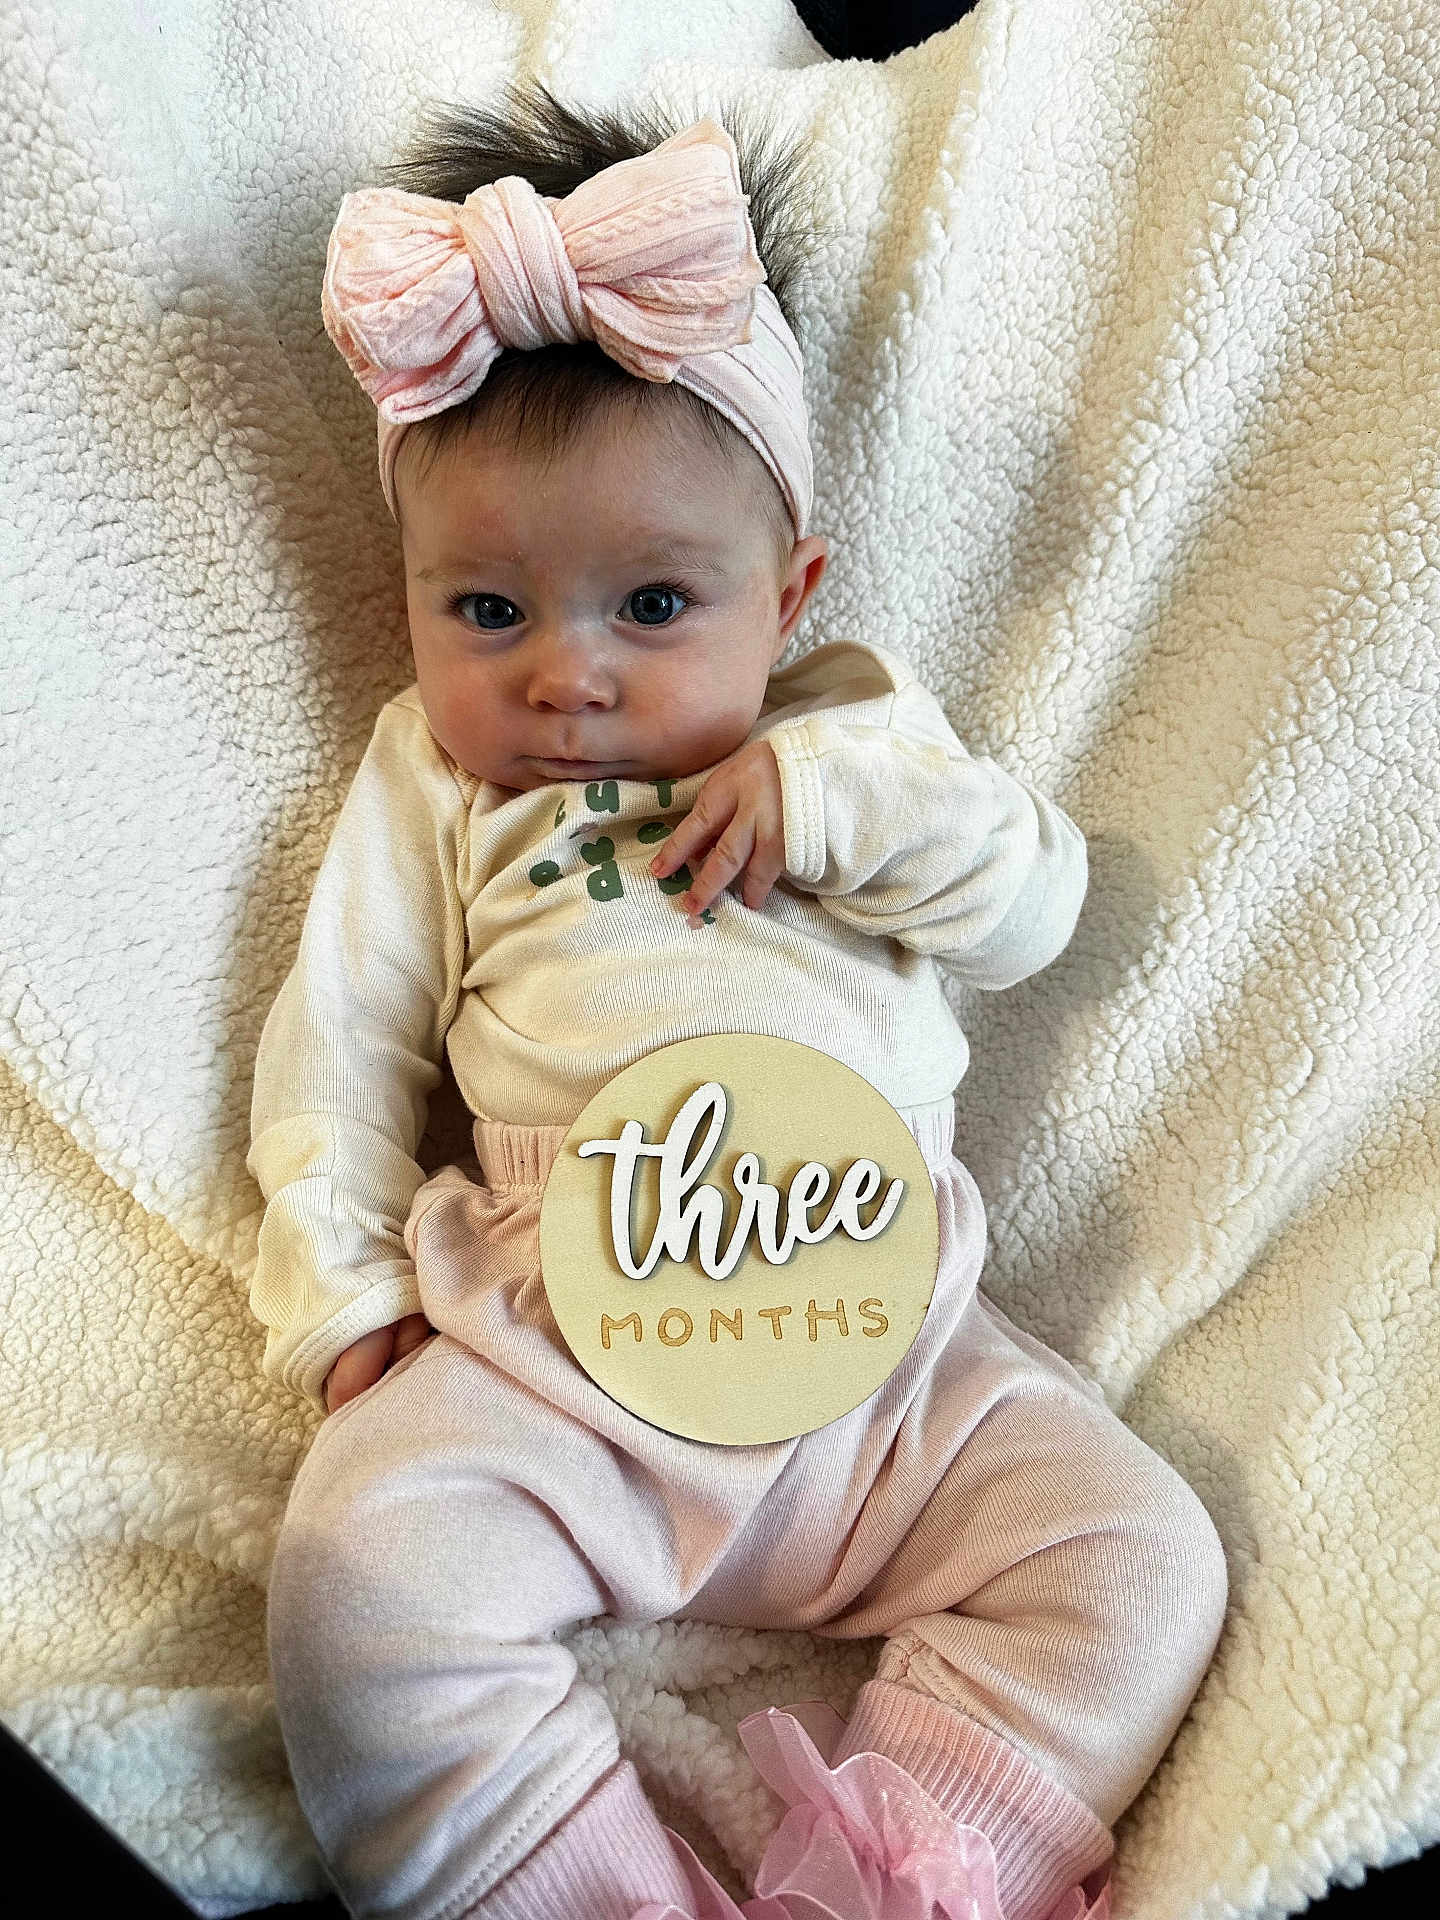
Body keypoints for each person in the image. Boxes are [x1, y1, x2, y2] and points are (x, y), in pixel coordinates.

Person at [247, 81, 1229, 1920]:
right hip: (560, 1341)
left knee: (1140, 1555)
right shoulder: (442, 790)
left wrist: (836, 797)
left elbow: (1037, 907)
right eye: (486, 612)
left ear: (786, 597)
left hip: (888, 1361)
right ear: (407, 601)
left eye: (651, 602)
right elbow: (342, 1040)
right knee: (356, 1572)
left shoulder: (852, 729)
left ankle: (895, 1883)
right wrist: (347, 1290)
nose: (569, 680)